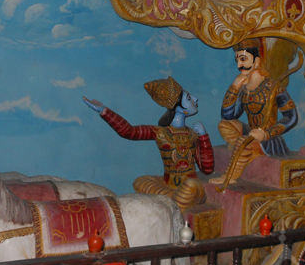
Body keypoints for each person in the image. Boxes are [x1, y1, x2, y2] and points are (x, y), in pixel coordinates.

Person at [84, 77, 214, 209]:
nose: (195, 99)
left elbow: (207, 169)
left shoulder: (193, 134)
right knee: (140, 181)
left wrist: (203, 137)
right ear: (178, 107)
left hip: (191, 187)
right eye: (188, 98)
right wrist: (104, 111)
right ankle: (175, 199)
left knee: (191, 186)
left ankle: (175, 200)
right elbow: (129, 132)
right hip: (167, 186)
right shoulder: (161, 133)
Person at [213, 39, 298, 187]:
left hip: (269, 140)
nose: (239, 65)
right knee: (225, 125)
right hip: (251, 134)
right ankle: (246, 149)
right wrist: (234, 88)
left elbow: (291, 117)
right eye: (238, 60)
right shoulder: (245, 89)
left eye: (243, 59)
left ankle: (230, 176)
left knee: (244, 142)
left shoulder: (274, 88)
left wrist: (265, 134)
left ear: (257, 61)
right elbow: (228, 116)